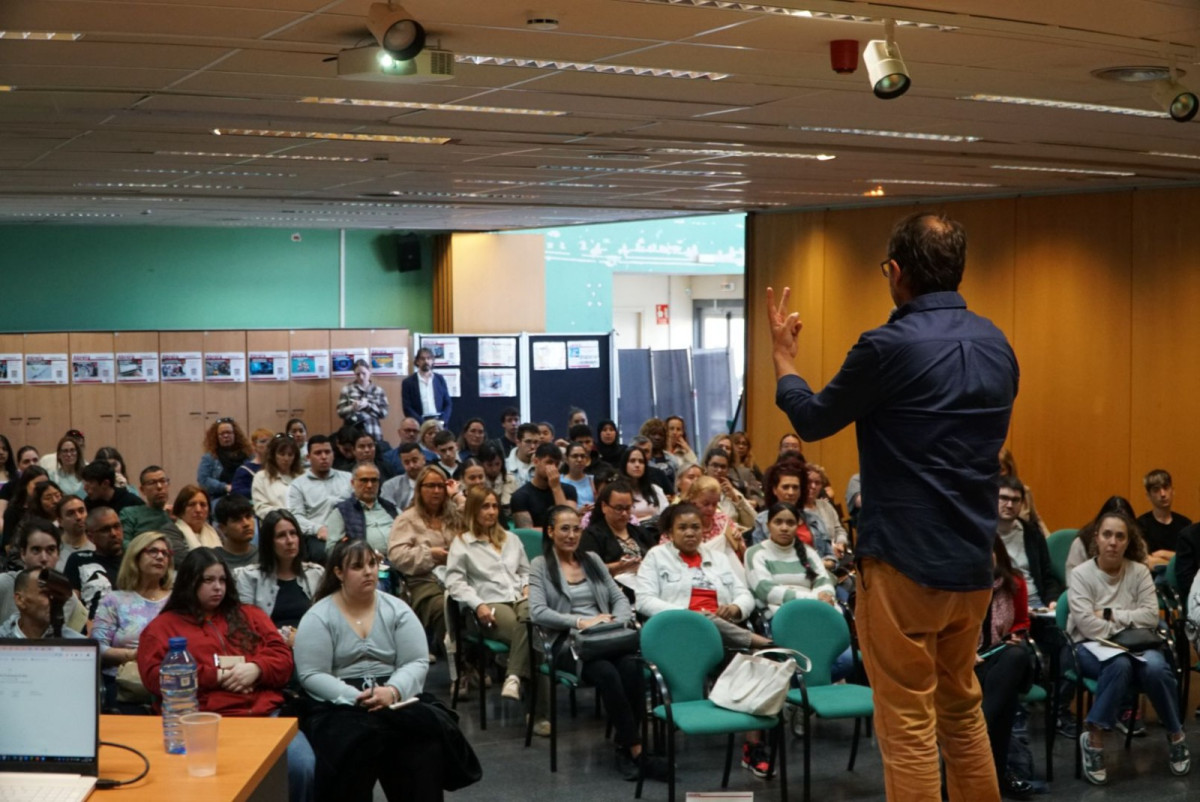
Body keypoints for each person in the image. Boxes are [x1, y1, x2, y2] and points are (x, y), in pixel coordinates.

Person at [769, 211, 1019, 801]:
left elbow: (813, 419)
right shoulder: (998, 344)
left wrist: (785, 360)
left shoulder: (886, 346)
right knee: (963, 710)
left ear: (897, 272)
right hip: (972, 562)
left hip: (903, 563)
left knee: (907, 724)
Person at [294, 538, 467, 802]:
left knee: (425, 744)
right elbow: (311, 674)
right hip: (340, 703)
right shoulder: (319, 616)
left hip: (395, 698)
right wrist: (354, 697)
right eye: (357, 566)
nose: (368, 572)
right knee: (351, 746)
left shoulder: (398, 610)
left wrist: (393, 691)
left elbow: (416, 661)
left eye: (372, 564)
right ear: (338, 572)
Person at [138, 548, 314, 802]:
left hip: (265, 716)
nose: (218, 587)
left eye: (222, 580)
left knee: (302, 765)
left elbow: (283, 659)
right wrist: (217, 676)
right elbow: (154, 678)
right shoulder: (162, 627)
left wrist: (256, 669)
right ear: (189, 582)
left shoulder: (250, 615)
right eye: (208, 580)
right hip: (203, 724)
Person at [529, 505, 665, 779]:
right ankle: (635, 749)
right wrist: (581, 622)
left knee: (632, 669)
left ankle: (625, 746)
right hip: (568, 644)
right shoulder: (540, 565)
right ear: (550, 531)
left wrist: (616, 621)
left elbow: (619, 598)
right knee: (607, 673)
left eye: (576, 529)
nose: (571, 535)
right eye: (564, 529)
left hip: (606, 636)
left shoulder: (592, 559)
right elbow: (538, 612)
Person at [635, 502, 771, 775]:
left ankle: (752, 747)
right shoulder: (656, 557)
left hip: (720, 636)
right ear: (670, 532)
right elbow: (644, 601)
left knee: (756, 666)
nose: (690, 533)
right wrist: (688, 616)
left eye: (695, 527)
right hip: (678, 634)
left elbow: (744, 593)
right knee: (707, 621)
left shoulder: (717, 557)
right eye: (682, 528)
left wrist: (735, 608)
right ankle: (760, 641)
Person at [1068, 510, 1190, 784]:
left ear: (1128, 542)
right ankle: (1095, 737)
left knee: (1156, 667)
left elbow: (1150, 617)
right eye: (1107, 535)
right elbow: (1086, 625)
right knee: (1119, 664)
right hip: (1089, 647)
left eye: (1120, 536)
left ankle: (1176, 734)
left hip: (1136, 646)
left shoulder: (1139, 572)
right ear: (1096, 538)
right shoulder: (1081, 575)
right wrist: (1126, 625)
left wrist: (1109, 614)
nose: (1113, 542)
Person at [445, 485, 531, 701]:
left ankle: (513, 676)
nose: (492, 512)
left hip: (520, 598)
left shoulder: (511, 539)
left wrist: (527, 586)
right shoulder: (462, 543)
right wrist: (478, 604)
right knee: (534, 639)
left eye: (494, 506)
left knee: (531, 620)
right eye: (485, 507)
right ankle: (538, 712)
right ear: (473, 510)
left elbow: (525, 571)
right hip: (490, 603)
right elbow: (455, 583)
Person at [976, 537, 1035, 800]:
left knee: (1016, 656)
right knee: (1005, 696)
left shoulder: (1014, 582)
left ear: (997, 552)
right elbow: (948, 631)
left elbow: (1021, 622)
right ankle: (997, 776)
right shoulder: (959, 586)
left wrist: (1015, 635)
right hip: (968, 663)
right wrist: (964, 654)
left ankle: (979, 731)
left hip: (1000, 655)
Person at [90, 531, 174, 711]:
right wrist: (136, 655)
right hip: (124, 685)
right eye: (153, 551)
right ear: (135, 557)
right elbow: (97, 647)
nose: (160, 556)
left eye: (165, 553)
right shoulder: (114, 600)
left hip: (170, 682)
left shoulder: (177, 600)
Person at [388, 465, 464, 653]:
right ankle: (458, 659)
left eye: (440, 486)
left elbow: (480, 520)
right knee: (444, 607)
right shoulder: (407, 519)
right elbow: (397, 556)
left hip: (460, 577)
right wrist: (430, 554)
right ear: (419, 489)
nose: (436, 491)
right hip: (424, 580)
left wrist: (457, 495)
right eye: (430, 486)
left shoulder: (454, 514)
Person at [234, 510, 324, 641]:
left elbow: (326, 623)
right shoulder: (249, 577)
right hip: (268, 646)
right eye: (281, 536)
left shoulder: (316, 574)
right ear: (269, 542)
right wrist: (286, 638)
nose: (290, 541)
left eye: (293, 533)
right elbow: (246, 626)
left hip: (311, 644)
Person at [745, 501, 836, 619]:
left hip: (815, 608)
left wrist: (824, 597)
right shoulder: (755, 553)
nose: (784, 528)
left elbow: (824, 582)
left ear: (797, 526)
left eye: (790, 523)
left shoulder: (808, 552)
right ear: (768, 525)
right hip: (780, 613)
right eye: (778, 522)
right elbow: (766, 591)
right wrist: (813, 599)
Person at [0, 518, 87, 631]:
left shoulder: (68, 597)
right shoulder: (4, 585)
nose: (44, 558)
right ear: (23, 553)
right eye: (36, 550)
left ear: (58, 554)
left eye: (51, 550)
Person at [995, 475, 1061, 610]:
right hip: (1002, 608)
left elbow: (1047, 576)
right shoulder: (983, 535)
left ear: (1022, 503)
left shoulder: (1032, 533)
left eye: (1015, 500)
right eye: (1004, 498)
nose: (1009, 505)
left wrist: (1053, 600)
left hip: (1037, 605)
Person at [287, 435, 352, 563]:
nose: (324, 457)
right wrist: (317, 529)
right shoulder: (298, 485)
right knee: (322, 553)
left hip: (349, 530)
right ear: (308, 457)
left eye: (327, 452)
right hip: (317, 535)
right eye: (318, 453)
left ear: (333, 454)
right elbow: (296, 517)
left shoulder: (348, 478)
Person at [579, 481, 655, 580]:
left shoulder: (640, 532)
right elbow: (588, 569)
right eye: (618, 508)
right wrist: (619, 566)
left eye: (627, 508)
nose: (624, 513)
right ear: (604, 506)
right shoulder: (591, 535)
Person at [64, 507, 126, 615]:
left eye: (116, 526)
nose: (113, 533)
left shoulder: (134, 559)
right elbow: (69, 604)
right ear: (90, 536)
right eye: (105, 530)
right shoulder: (78, 560)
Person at [325, 463, 397, 554]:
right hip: (363, 561)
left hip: (398, 559)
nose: (369, 485)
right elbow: (332, 550)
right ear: (352, 483)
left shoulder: (391, 508)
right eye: (364, 480)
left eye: (374, 480)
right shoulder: (341, 512)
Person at [0, 568, 87, 640]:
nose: (54, 600)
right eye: (45, 593)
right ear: (20, 600)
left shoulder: (78, 645)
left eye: (57, 594)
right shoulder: (3, 640)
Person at [511, 443, 578, 530]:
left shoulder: (569, 490)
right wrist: (554, 532)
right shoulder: (520, 496)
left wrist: (556, 488)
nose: (554, 468)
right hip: (538, 539)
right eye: (549, 462)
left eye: (557, 464)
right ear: (536, 462)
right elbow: (527, 532)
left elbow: (569, 523)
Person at [1136, 468, 1190, 570]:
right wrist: (1175, 557)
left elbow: (1190, 560)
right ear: (1148, 496)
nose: (1163, 494)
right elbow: (1146, 562)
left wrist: (1162, 554)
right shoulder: (1140, 525)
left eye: (1166, 487)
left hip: (1180, 578)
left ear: (1172, 491)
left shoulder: (1185, 524)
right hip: (1150, 578)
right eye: (1156, 490)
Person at [748, 458, 805, 545]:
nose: (791, 492)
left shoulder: (814, 520)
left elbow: (826, 551)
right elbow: (759, 550)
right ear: (774, 490)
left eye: (795, 487)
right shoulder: (762, 520)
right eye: (785, 487)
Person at [197, 417, 252, 502]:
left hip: (245, 496)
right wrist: (225, 487)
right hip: (220, 497)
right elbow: (203, 480)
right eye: (222, 434)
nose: (226, 436)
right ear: (216, 437)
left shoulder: (248, 455)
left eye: (229, 432)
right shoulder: (209, 457)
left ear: (235, 434)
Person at [702, 447, 757, 531]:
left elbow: (754, 522)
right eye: (715, 465)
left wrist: (736, 499)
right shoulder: (698, 492)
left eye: (723, 467)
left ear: (728, 470)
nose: (719, 470)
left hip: (736, 536)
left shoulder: (732, 492)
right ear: (706, 467)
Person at [253, 434, 304, 519]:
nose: (286, 458)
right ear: (273, 455)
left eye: (290, 455)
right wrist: (285, 515)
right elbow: (261, 508)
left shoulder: (302, 477)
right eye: (282, 454)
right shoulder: (261, 477)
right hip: (275, 523)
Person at [166, 484, 221, 564]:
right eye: (191, 504)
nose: (198, 510)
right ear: (181, 510)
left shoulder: (216, 532)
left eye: (203, 505)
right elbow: (181, 561)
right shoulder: (171, 531)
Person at [339, 358, 391, 441]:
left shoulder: (378, 390)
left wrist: (368, 406)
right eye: (357, 374)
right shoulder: (347, 389)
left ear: (369, 371)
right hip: (352, 433)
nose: (361, 377)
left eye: (364, 373)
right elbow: (340, 412)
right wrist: (352, 408)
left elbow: (384, 413)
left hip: (373, 432)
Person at [120, 466, 173, 543]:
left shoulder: (175, 515)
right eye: (152, 483)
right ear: (142, 490)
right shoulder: (130, 514)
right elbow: (124, 542)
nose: (159, 486)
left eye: (163, 481)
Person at [2, 465, 49, 550]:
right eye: (37, 484)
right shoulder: (13, 511)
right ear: (25, 485)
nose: (42, 488)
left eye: (46, 484)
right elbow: (8, 546)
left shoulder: (49, 508)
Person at [400, 348, 450, 427]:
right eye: (422, 359)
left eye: (429, 358)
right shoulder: (408, 382)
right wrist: (422, 423)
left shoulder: (440, 379)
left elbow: (448, 403)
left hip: (439, 423)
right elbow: (407, 407)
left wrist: (442, 420)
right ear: (417, 361)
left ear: (432, 361)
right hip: (419, 424)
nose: (426, 361)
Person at [617, 447, 668, 523]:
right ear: (625, 465)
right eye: (632, 461)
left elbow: (666, 516)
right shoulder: (616, 491)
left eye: (641, 462)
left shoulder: (655, 489)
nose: (637, 465)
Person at [214, 494, 258, 570]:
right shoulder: (213, 560)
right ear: (222, 528)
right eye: (237, 519)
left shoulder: (264, 557)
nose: (246, 524)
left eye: (248, 516)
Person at [380, 442, 425, 513]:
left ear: (423, 459)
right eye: (407, 462)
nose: (411, 466)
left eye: (415, 461)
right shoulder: (390, 486)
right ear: (402, 463)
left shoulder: (437, 481)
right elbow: (388, 510)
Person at [231, 427, 273, 499]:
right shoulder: (244, 470)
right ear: (254, 445)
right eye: (263, 441)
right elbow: (236, 492)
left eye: (271, 442)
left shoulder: (278, 467)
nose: (268, 445)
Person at [638, 418, 678, 493]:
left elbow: (678, 482)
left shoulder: (672, 459)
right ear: (646, 435)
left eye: (661, 435)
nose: (657, 437)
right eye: (653, 434)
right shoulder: (641, 459)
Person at [56, 494, 92, 570]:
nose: (78, 517)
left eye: (81, 511)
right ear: (60, 521)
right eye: (71, 513)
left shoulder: (99, 545)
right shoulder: (54, 550)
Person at [47, 434, 85, 498]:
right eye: (65, 451)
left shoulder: (86, 476)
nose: (69, 454)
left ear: (78, 453)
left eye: (72, 450)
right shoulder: (52, 477)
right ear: (59, 455)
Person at [560, 442, 595, 510]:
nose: (579, 460)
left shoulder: (593, 480)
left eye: (582, 456)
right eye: (575, 456)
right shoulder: (559, 481)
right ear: (566, 459)